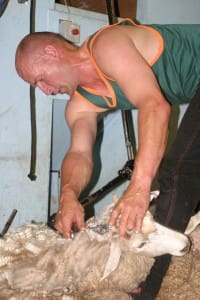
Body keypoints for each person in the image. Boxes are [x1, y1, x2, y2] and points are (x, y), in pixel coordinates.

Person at [15, 18, 200, 299]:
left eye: (40, 79)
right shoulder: (80, 105)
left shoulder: (106, 45)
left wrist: (138, 187)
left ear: (52, 52)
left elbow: (154, 106)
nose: (45, 90)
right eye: (36, 86)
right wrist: (67, 196)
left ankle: (149, 288)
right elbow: (79, 153)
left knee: (179, 171)